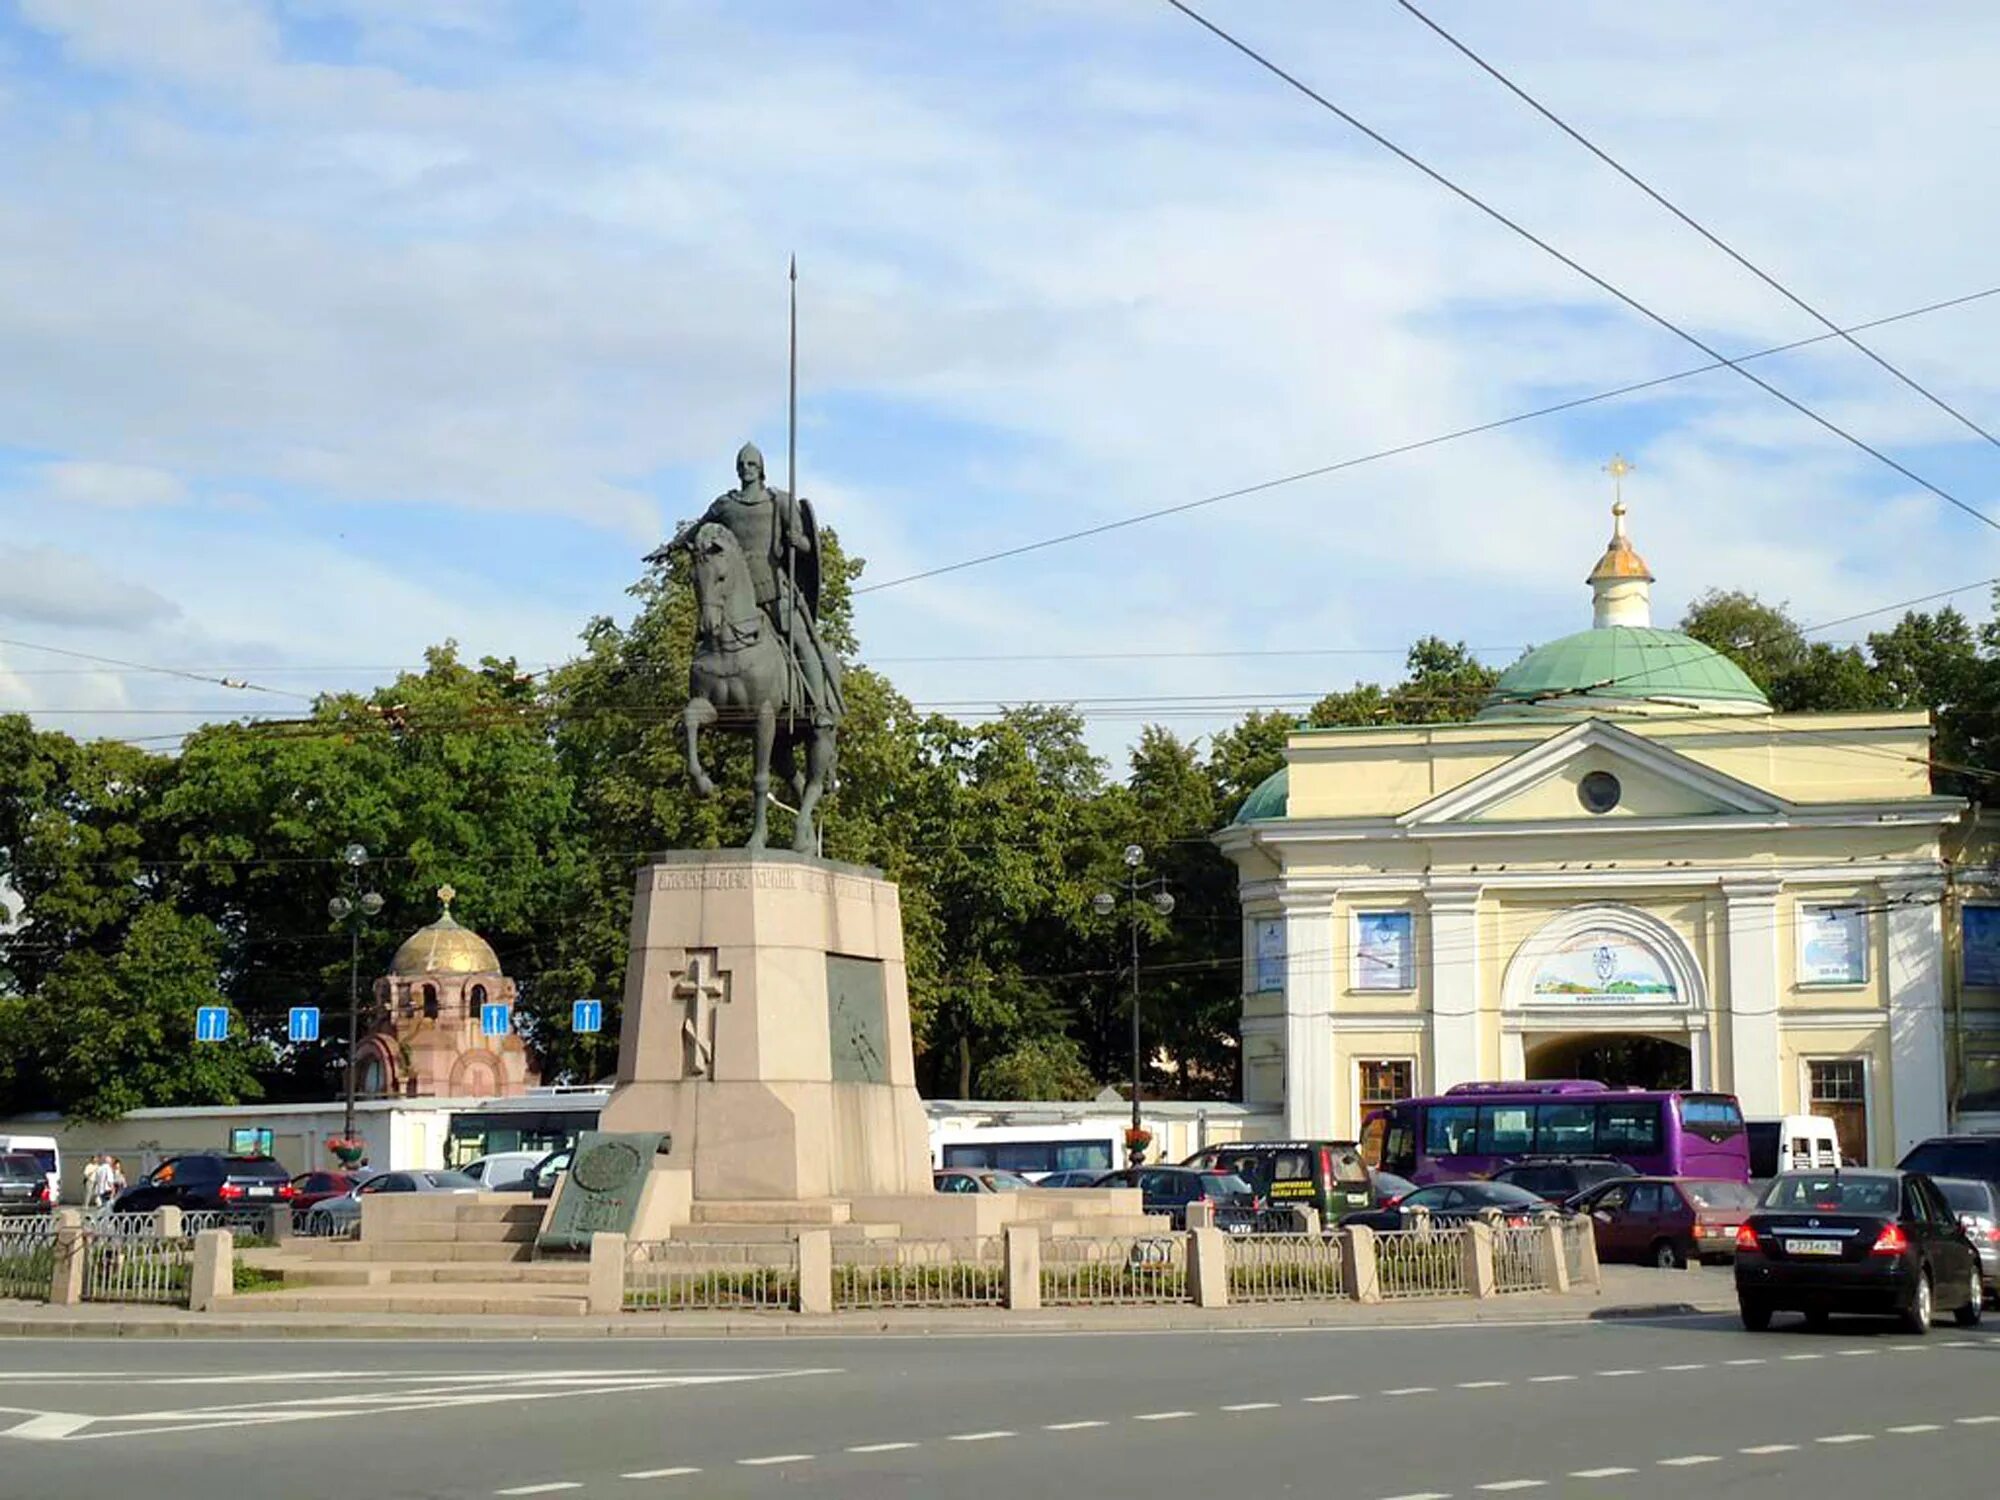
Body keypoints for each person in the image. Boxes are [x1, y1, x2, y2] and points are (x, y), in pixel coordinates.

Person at [653, 443, 845, 727]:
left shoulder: (779, 501)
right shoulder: (725, 505)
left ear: (761, 468)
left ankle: (819, 709)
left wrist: (797, 541)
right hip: (735, 593)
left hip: (774, 589)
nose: (746, 469)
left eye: (752, 464)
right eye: (742, 464)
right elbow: (697, 530)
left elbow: (805, 544)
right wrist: (670, 547)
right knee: (711, 640)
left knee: (803, 643)